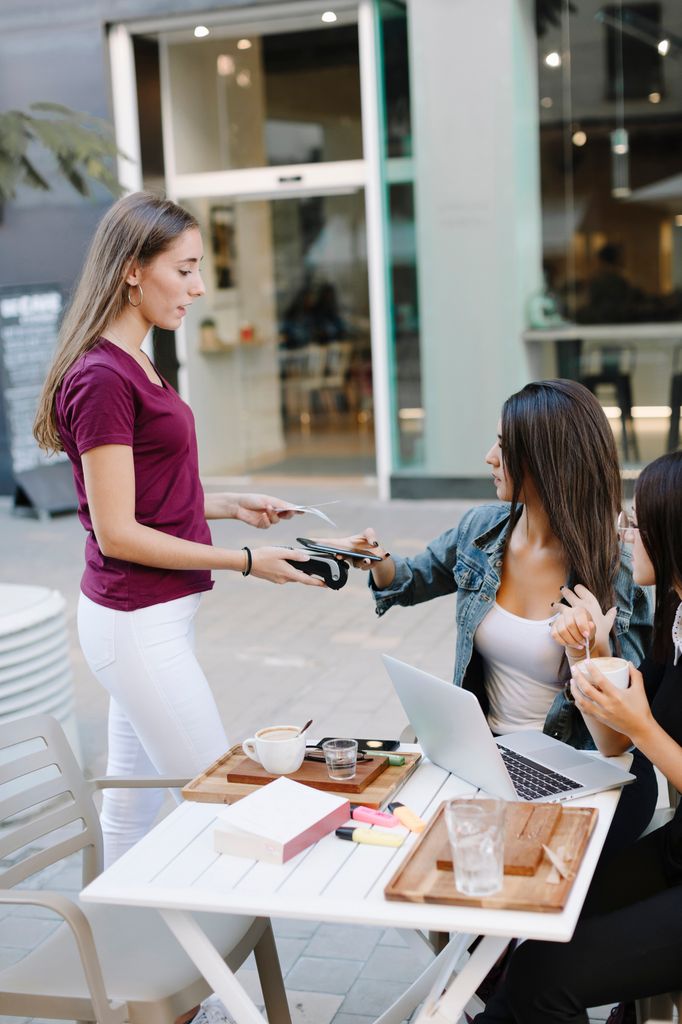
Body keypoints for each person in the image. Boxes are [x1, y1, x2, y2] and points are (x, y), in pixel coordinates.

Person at [33, 192, 325, 869]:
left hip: (147, 619)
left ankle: (110, 958)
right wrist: (248, 560)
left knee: (132, 810)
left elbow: (145, 497)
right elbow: (118, 533)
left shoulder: (134, 360)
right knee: (226, 807)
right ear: (132, 269)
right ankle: (227, 967)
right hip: (136, 622)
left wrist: (230, 503)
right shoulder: (105, 376)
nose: (197, 288)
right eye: (185, 269)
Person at [330, 380, 654, 848]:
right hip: (490, 754)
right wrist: (375, 558)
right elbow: (411, 578)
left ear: (546, 461)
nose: (488, 456)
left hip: (588, 769)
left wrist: (590, 654)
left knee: (497, 857)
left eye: (503, 446)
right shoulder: (482, 530)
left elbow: (619, 741)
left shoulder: (618, 570)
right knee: (404, 835)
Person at [474, 450, 682, 1023]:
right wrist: (588, 656)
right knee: (538, 922)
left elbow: (638, 732)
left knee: (546, 977)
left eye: (636, 523)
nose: (624, 533)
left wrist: (640, 722)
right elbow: (614, 746)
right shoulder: (675, 616)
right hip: (675, 853)